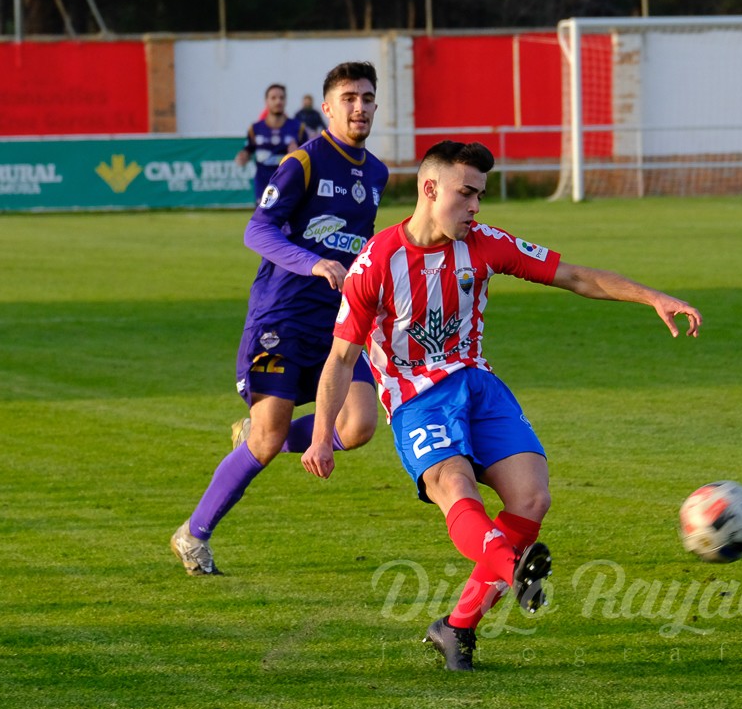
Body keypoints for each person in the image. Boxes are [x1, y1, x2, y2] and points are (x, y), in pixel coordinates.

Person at [300, 140, 703, 671]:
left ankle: (457, 627)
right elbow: (340, 358)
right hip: (417, 399)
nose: (475, 207)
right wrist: (321, 436)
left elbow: (573, 275)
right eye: (466, 193)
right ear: (430, 189)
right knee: (454, 486)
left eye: (480, 196)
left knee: (532, 498)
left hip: (479, 387)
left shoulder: (486, 244)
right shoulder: (376, 264)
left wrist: (652, 297)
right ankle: (512, 567)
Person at [171, 62, 389, 576]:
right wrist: (312, 262)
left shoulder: (377, 173)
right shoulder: (304, 161)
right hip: (282, 317)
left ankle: (256, 430)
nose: (359, 107)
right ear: (327, 107)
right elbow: (257, 230)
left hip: (337, 322)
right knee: (267, 442)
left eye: (366, 98)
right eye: (349, 98)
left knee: (358, 425)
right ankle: (193, 535)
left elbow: (360, 248)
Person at [235, 83, 307, 202]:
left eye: (281, 98)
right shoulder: (255, 129)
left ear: (285, 101)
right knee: (264, 215)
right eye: (273, 98)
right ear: (266, 101)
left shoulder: (298, 128)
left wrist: (298, 153)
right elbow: (248, 150)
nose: (278, 101)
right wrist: (243, 156)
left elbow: (310, 157)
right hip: (263, 186)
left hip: (289, 185)